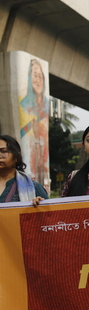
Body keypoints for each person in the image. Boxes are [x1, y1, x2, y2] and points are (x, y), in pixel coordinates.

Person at [19, 58, 50, 189]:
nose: (38, 80)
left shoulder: (46, 104)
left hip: (42, 160)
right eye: (34, 75)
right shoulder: (23, 104)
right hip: (30, 160)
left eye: (40, 76)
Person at [0, 135, 48, 206]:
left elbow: (50, 215)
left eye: (4, 151)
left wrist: (39, 206)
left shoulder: (34, 188)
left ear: (16, 157)